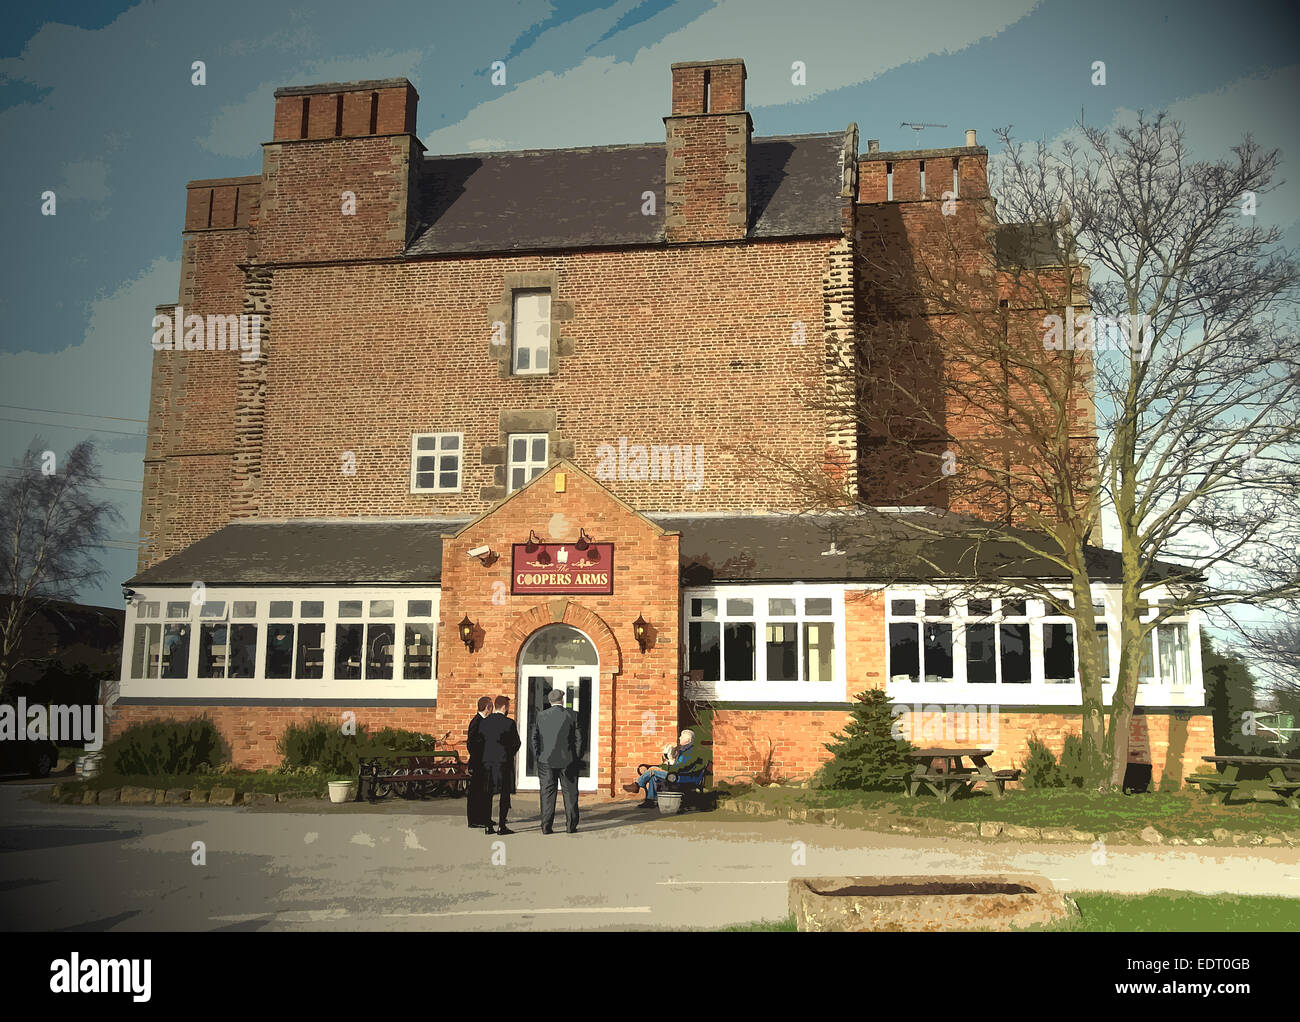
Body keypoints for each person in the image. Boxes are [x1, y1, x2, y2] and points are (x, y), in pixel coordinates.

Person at [531, 689, 584, 834]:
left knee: (547, 794)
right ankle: (571, 826)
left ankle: (546, 826)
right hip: (568, 760)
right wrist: (576, 757)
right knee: (570, 793)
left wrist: (539, 756)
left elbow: (534, 738)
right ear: (562, 700)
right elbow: (579, 739)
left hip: (546, 760)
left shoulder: (541, 716)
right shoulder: (572, 715)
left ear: (550, 701)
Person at [622, 729, 705, 808]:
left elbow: (680, 767)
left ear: (687, 740)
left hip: (681, 777)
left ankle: (637, 785)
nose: (679, 738)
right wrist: (667, 764)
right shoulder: (685, 751)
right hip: (677, 774)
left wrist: (664, 767)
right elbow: (678, 766)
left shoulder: (691, 753)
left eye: (681, 737)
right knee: (653, 777)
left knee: (652, 772)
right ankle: (651, 801)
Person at [476, 695, 520, 834]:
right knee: (504, 794)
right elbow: (516, 743)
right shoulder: (509, 723)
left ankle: (488, 826)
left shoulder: (484, 722)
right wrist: (508, 753)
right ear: (505, 707)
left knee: (487, 794)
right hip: (503, 762)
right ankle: (502, 825)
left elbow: (479, 741)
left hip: (487, 762)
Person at [465, 696, 493, 829]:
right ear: (487, 707)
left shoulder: (482, 721)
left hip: (482, 762)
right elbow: (471, 744)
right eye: (491, 707)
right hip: (478, 763)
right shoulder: (477, 721)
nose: (492, 710)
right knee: (476, 792)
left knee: (483, 791)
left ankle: (483, 817)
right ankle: (474, 819)